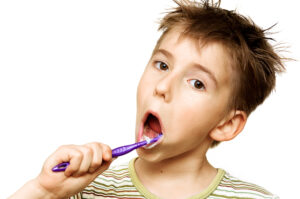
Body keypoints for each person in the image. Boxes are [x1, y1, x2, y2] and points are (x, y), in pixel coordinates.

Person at [9, 0, 285, 198]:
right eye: (162, 65)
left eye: (197, 83)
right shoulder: (84, 191)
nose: (163, 86)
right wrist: (43, 191)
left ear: (227, 124)